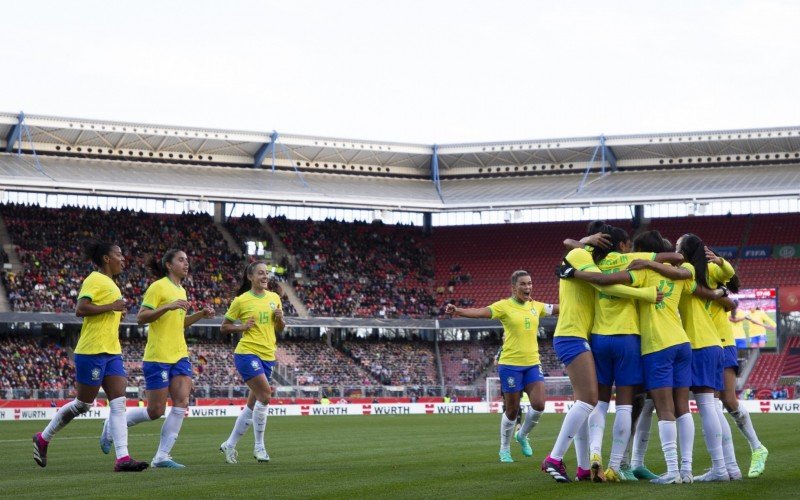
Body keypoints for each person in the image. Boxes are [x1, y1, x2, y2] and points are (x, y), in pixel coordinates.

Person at [542, 224, 662, 483]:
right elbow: (604, 282)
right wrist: (646, 292)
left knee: (587, 403)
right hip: (578, 335)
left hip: (589, 336)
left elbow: (572, 246)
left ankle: (585, 466)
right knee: (590, 401)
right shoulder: (583, 258)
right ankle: (555, 458)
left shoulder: (584, 257)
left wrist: (579, 250)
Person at [564, 225, 683, 482]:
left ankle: (595, 452)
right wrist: (648, 261)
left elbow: (570, 244)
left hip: (598, 337)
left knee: (599, 402)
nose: (631, 249)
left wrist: (585, 242)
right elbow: (673, 257)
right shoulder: (630, 261)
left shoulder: (591, 260)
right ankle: (615, 466)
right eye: (628, 244)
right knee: (625, 405)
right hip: (628, 338)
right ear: (621, 246)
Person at [33, 240, 148, 472]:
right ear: (106, 258)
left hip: (112, 351)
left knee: (119, 402)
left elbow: (107, 313)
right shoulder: (94, 279)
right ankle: (43, 438)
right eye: (119, 254)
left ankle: (123, 458)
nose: (123, 258)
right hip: (92, 351)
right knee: (83, 404)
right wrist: (112, 307)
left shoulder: (111, 283)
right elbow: (80, 309)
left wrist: (115, 311)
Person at [100, 249, 215, 468]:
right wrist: (167, 306)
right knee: (156, 411)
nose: (186, 263)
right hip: (158, 356)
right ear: (169, 265)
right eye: (181, 260)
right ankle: (111, 425)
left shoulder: (181, 290)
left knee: (182, 401)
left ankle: (162, 456)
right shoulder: (158, 287)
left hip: (180, 354)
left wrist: (200, 315)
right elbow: (141, 318)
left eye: (187, 260)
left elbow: (178, 324)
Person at [446, 270, 558, 463]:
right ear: (514, 287)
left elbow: (558, 308)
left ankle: (522, 435)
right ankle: (504, 449)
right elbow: (481, 312)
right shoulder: (504, 306)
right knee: (512, 410)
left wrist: (579, 302)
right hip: (510, 365)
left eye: (530, 283)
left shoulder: (536, 306)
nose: (528, 287)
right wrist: (458, 311)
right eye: (523, 284)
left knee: (539, 405)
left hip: (532, 363)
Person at [676, 234, 731, 482]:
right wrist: (719, 286)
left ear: (685, 252)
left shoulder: (686, 272)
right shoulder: (705, 271)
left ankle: (720, 468)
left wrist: (718, 265)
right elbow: (728, 274)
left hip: (698, 343)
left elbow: (727, 274)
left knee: (707, 407)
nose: (674, 249)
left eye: (677, 246)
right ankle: (728, 467)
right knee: (712, 407)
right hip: (711, 342)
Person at [219, 261, 285, 464]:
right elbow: (224, 327)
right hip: (247, 353)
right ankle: (259, 447)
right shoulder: (241, 301)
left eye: (266, 273)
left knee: (252, 404)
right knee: (265, 395)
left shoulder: (274, 298)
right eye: (260, 273)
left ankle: (229, 444)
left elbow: (280, 329)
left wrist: (281, 319)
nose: (265, 276)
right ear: (250, 277)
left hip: (268, 356)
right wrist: (242, 327)